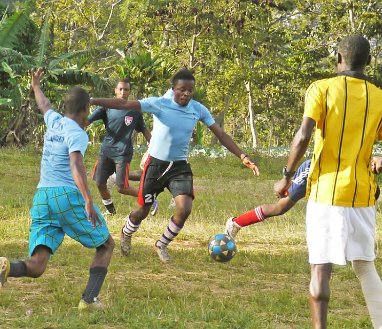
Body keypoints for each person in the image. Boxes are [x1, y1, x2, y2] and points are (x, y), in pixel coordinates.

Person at [274, 35, 382, 329]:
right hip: (363, 195)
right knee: (366, 266)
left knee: (320, 270)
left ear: (338, 59)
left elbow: (304, 136)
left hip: (325, 194)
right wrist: (381, 162)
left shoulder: (321, 89)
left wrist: (287, 176)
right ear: (368, 62)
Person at [90, 68, 260, 262]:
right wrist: (94, 101)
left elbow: (220, 134)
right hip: (155, 166)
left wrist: (242, 155)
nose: (186, 93)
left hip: (179, 166)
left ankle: (161, 244)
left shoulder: (198, 109)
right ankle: (127, 233)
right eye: (181, 89)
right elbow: (124, 103)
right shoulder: (159, 104)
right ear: (173, 89)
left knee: (185, 208)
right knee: (142, 211)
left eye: (190, 90)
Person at [0, 68, 115, 310]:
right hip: (65, 196)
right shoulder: (78, 133)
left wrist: (36, 86)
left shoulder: (55, 121)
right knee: (105, 245)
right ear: (85, 110)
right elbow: (76, 163)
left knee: (38, 264)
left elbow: (44, 105)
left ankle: (7, 266)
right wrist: (86, 199)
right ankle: (89, 299)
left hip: (42, 197)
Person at [225, 160, 380, 239]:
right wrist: (287, 177)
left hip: (327, 182)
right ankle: (236, 223)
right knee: (280, 208)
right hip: (312, 171)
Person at [87, 78, 152, 215]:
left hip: (123, 154)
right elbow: (87, 121)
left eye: (126, 89)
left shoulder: (135, 110)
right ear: (115, 91)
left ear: (129, 92)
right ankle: (111, 211)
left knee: (122, 187)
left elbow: (144, 130)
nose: (123, 92)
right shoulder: (106, 107)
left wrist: (154, 147)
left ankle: (148, 198)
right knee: (99, 183)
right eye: (120, 89)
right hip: (106, 151)